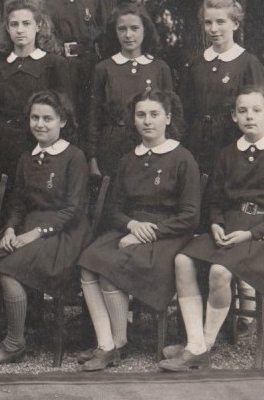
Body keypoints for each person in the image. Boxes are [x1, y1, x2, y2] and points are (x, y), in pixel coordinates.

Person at [159, 86, 264, 371]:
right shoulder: (227, 153)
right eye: (242, 111)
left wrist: (250, 233)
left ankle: (203, 345)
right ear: (234, 116)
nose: (250, 117)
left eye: (256, 110)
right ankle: (195, 343)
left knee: (220, 271)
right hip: (229, 228)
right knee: (183, 259)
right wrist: (216, 223)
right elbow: (215, 200)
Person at [76, 89, 200, 371]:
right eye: (141, 115)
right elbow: (114, 209)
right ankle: (106, 343)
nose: (147, 121)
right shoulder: (128, 160)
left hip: (168, 235)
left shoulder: (183, 159)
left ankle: (117, 344)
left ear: (167, 118)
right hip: (131, 229)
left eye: (154, 114)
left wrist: (151, 231)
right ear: (133, 120)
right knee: (88, 260)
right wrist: (131, 224)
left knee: (109, 266)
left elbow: (190, 216)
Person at [0, 90, 90, 364]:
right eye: (35, 118)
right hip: (28, 228)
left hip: (64, 233)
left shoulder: (74, 157)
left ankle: (15, 343)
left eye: (48, 119)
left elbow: (73, 210)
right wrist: (10, 230)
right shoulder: (27, 157)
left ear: (62, 122)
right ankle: (20, 324)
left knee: (10, 271)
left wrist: (36, 234)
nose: (40, 124)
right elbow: (17, 203)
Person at [0, 0, 71, 182]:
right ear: (7, 28)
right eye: (14, 24)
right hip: (3, 148)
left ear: (39, 25)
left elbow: (64, 113)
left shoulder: (54, 64)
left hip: (40, 143)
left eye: (26, 23)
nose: (20, 30)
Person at [180, 0, 264, 178]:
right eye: (208, 23)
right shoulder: (196, 64)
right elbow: (184, 111)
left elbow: (259, 114)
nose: (213, 29)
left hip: (231, 144)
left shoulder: (248, 63)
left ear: (235, 24)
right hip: (195, 144)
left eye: (220, 22)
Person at [87, 3, 174, 180]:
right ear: (115, 32)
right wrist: (92, 159)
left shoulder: (160, 68)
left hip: (151, 145)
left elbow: (171, 116)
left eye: (134, 28)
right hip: (112, 147)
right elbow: (93, 115)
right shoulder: (104, 69)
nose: (128, 35)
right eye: (122, 29)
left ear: (145, 30)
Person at [39, 0, 109, 129]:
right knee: (65, 117)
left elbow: (106, 37)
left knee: (93, 116)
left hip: (91, 67)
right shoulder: (44, 1)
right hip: (61, 69)